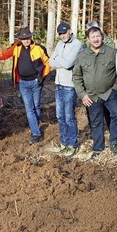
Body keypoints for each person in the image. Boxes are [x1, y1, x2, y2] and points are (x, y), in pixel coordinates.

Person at [73, 25, 117, 158]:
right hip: (91, 96)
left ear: (102, 37)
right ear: (88, 39)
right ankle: (98, 147)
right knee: (96, 122)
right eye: (93, 37)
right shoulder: (82, 56)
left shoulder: (112, 52)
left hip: (109, 93)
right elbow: (76, 77)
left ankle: (115, 142)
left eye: (98, 36)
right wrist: (82, 94)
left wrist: (115, 89)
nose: (96, 39)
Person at [0, 27, 50, 144]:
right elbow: (3, 55)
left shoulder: (39, 48)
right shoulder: (16, 47)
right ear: (20, 39)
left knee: (36, 106)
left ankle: (34, 124)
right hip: (23, 83)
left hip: (36, 82)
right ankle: (36, 134)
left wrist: (41, 77)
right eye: (23, 38)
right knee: (29, 108)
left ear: (31, 37)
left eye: (28, 38)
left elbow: (48, 63)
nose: (26, 40)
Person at [49, 22, 83, 157]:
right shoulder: (59, 44)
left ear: (70, 31)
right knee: (60, 116)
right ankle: (63, 142)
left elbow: (69, 64)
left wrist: (58, 59)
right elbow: (51, 62)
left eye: (64, 32)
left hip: (70, 86)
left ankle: (72, 144)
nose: (63, 35)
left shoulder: (77, 45)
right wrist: (59, 60)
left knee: (69, 117)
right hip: (59, 85)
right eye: (60, 33)